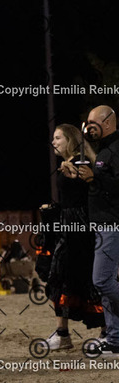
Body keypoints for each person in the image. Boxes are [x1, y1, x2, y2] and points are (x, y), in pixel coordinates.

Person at [41, 124, 104, 350]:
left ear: (70, 140)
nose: (54, 142)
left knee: (80, 278)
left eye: (58, 138)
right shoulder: (70, 163)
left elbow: (91, 193)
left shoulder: (81, 163)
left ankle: (104, 332)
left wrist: (75, 175)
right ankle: (63, 333)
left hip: (79, 230)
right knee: (62, 277)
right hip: (68, 226)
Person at [77, 105, 119, 358]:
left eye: (93, 123)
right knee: (108, 283)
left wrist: (95, 178)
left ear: (108, 122)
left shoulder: (115, 148)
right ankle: (115, 340)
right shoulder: (104, 149)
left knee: (102, 281)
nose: (89, 127)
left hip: (112, 224)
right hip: (102, 224)